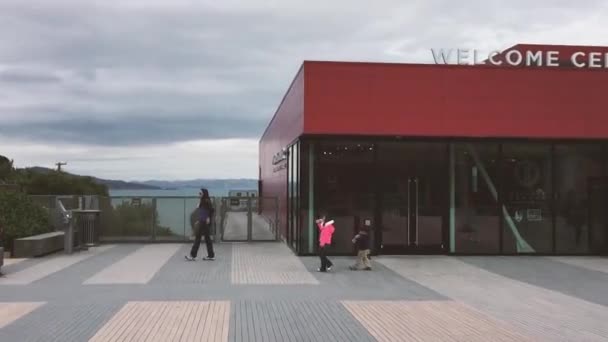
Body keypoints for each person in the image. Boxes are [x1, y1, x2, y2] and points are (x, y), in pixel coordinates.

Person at [185, 188, 215, 261]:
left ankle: (193, 256)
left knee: (198, 238)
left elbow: (211, 210)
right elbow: (202, 212)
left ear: (204, 194)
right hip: (202, 222)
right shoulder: (203, 201)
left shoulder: (206, 201)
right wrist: (199, 220)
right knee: (206, 239)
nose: (199, 194)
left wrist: (208, 217)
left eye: (200, 193)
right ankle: (211, 255)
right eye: (199, 193)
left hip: (204, 222)